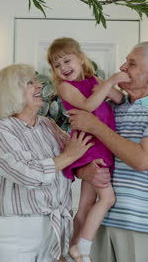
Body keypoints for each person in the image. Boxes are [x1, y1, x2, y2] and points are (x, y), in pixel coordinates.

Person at [68, 41, 148, 262]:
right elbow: (84, 154)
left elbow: (142, 160)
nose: (122, 67)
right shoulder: (110, 109)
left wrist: (95, 126)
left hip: (140, 228)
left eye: (131, 63)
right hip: (96, 229)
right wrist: (85, 172)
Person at [0, 63, 95, 262]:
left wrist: (87, 168)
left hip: (53, 227)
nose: (39, 86)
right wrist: (69, 156)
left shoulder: (47, 124)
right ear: (11, 92)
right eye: (30, 83)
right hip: (15, 230)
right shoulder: (1, 130)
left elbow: (76, 157)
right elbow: (28, 174)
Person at [46, 37, 130, 262]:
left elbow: (120, 99)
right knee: (107, 198)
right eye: (57, 65)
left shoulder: (94, 81)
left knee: (84, 207)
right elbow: (88, 106)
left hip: (101, 148)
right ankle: (82, 249)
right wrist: (110, 80)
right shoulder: (65, 87)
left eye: (67, 60)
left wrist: (108, 86)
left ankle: (66, 253)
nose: (63, 67)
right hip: (90, 148)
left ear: (80, 59)